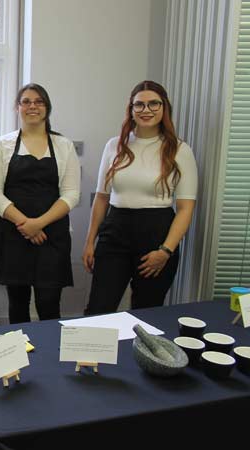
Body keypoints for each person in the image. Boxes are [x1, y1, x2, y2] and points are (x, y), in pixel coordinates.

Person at [83, 80, 198, 314]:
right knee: (99, 308)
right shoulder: (115, 146)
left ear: (164, 107)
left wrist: (166, 251)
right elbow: (102, 198)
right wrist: (89, 242)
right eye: (139, 105)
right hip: (115, 232)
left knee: (146, 312)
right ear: (131, 109)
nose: (146, 110)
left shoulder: (179, 150)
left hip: (157, 236)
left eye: (153, 104)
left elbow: (186, 208)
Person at [0, 83, 80, 323]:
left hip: (51, 234)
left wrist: (39, 224)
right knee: (18, 305)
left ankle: (49, 358)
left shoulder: (63, 145)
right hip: (13, 234)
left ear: (47, 108)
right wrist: (25, 224)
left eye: (39, 101)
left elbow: (71, 195)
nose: (32, 106)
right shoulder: (2, 145)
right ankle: (21, 358)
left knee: (49, 304)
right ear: (17, 108)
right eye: (26, 101)